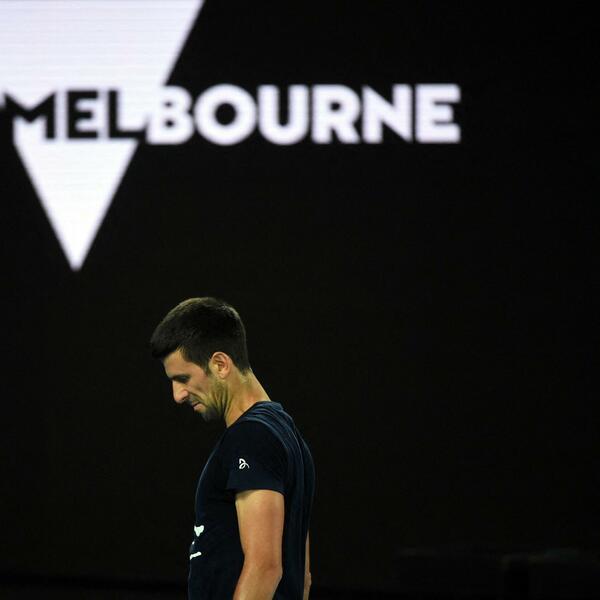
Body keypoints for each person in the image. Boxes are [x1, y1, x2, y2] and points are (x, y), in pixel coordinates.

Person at [150, 297, 315, 600]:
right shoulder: (287, 435)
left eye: (183, 378)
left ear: (220, 364)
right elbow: (302, 578)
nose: (178, 395)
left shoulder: (251, 437)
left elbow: (265, 568)